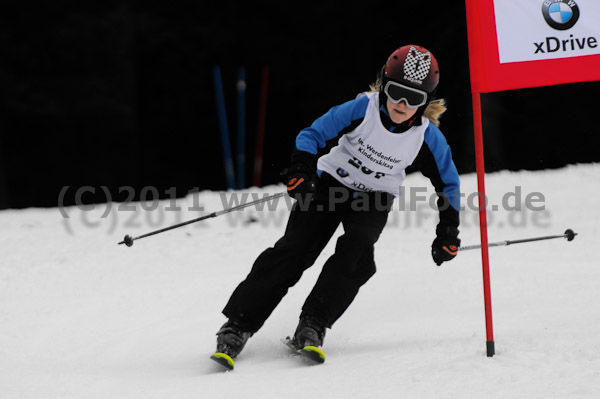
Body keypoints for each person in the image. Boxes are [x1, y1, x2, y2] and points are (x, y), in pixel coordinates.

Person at [213, 45, 461, 363]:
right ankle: (238, 325)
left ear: (425, 101)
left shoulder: (427, 137)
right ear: (384, 86)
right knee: (295, 249)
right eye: (397, 93)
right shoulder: (362, 109)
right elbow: (312, 134)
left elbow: (449, 184)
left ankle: (314, 323)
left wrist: (448, 231)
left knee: (358, 248)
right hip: (331, 183)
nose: (402, 104)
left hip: (374, 197)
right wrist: (301, 169)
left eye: (414, 99)